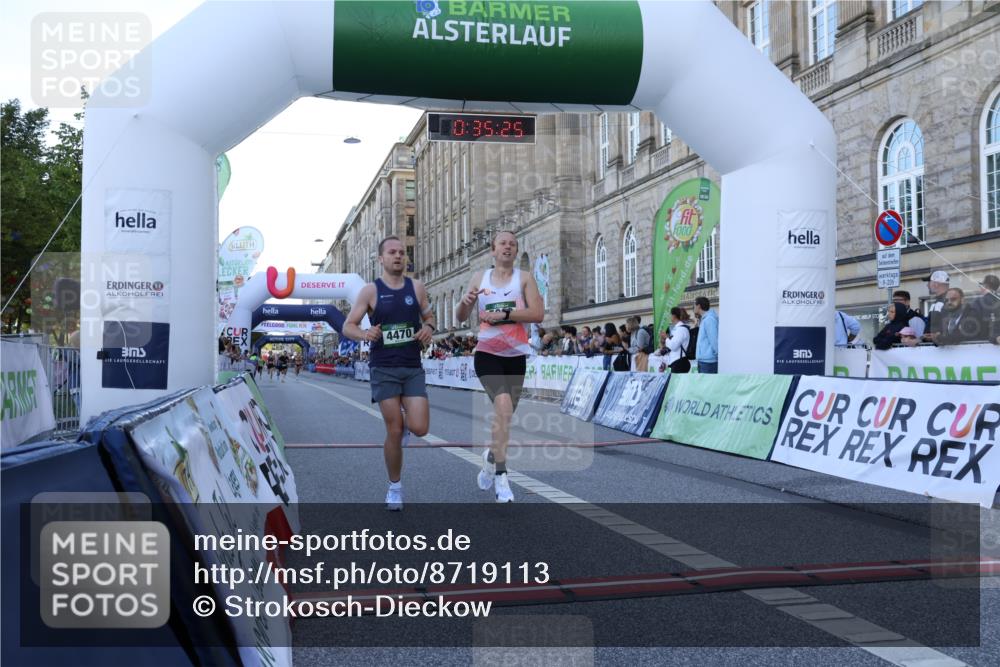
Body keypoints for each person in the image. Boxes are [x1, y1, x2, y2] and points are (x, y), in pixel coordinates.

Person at [343, 235, 434, 510]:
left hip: (412, 366)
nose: (398, 256)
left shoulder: (417, 287)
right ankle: (395, 487)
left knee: (420, 428)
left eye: (402, 252)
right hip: (383, 367)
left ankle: (406, 426)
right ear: (381, 259)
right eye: (392, 252)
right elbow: (348, 325)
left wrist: (428, 328)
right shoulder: (370, 291)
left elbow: (429, 317)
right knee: (394, 430)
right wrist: (364, 333)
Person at [455, 231, 544, 503]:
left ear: (516, 251)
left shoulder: (524, 278)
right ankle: (502, 477)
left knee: (505, 416)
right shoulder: (479, 278)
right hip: (487, 354)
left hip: (515, 355)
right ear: (493, 250)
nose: (508, 247)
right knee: (503, 407)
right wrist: (464, 303)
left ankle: (491, 457)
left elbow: (537, 314)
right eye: (503, 243)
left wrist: (505, 314)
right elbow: (461, 317)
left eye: (512, 244)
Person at [693, 296, 718, 373]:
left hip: (708, 362)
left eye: (694, 305)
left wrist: (715, 355)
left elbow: (714, 340)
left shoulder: (709, 319)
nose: (693, 307)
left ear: (699, 306)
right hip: (704, 360)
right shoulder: (705, 319)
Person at [665, 307, 692, 373]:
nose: (670, 317)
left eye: (670, 314)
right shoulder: (678, 329)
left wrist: (666, 338)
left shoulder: (681, 329)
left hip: (679, 362)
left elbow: (673, 346)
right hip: (678, 361)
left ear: (674, 316)